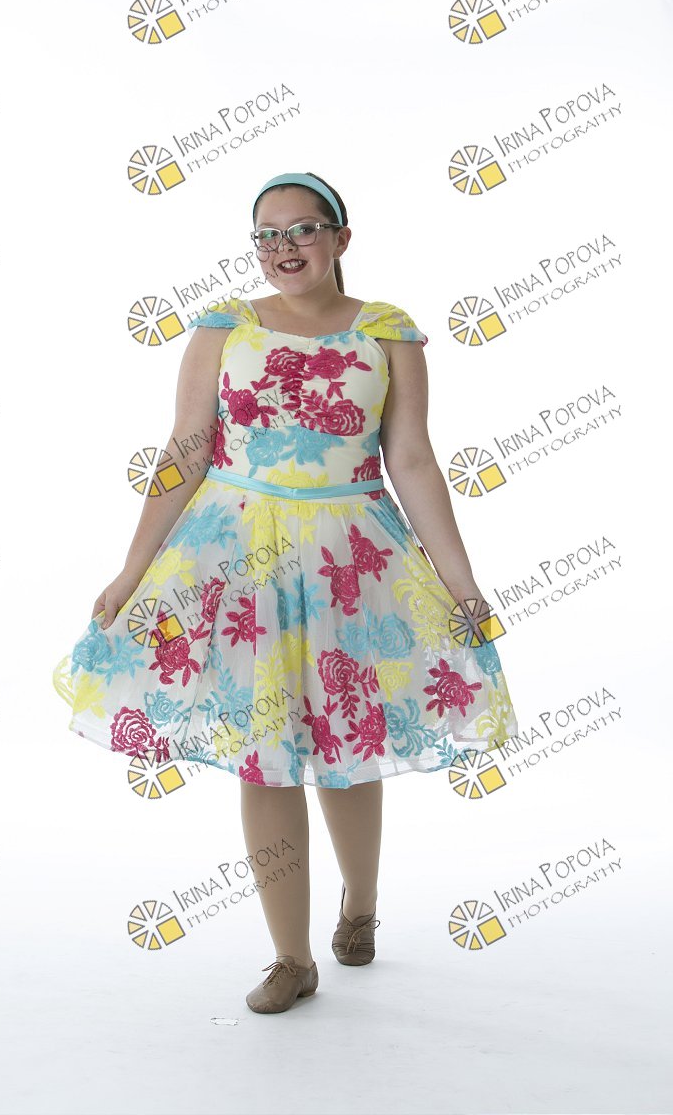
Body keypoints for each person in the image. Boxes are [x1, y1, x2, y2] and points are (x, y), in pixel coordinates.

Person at [52, 169, 518, 1015]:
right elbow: (186, 450)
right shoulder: (224, 327)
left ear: (341, 237)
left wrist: (463, 585)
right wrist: (130, 569)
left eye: (302, 229)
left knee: (348, 740)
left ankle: (361, 908)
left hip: (351, 559)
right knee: (264, 753)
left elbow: (411, 459)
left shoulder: (388, 332)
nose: (284, 247)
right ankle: (291, 958)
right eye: (266, 235)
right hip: (238, 559)